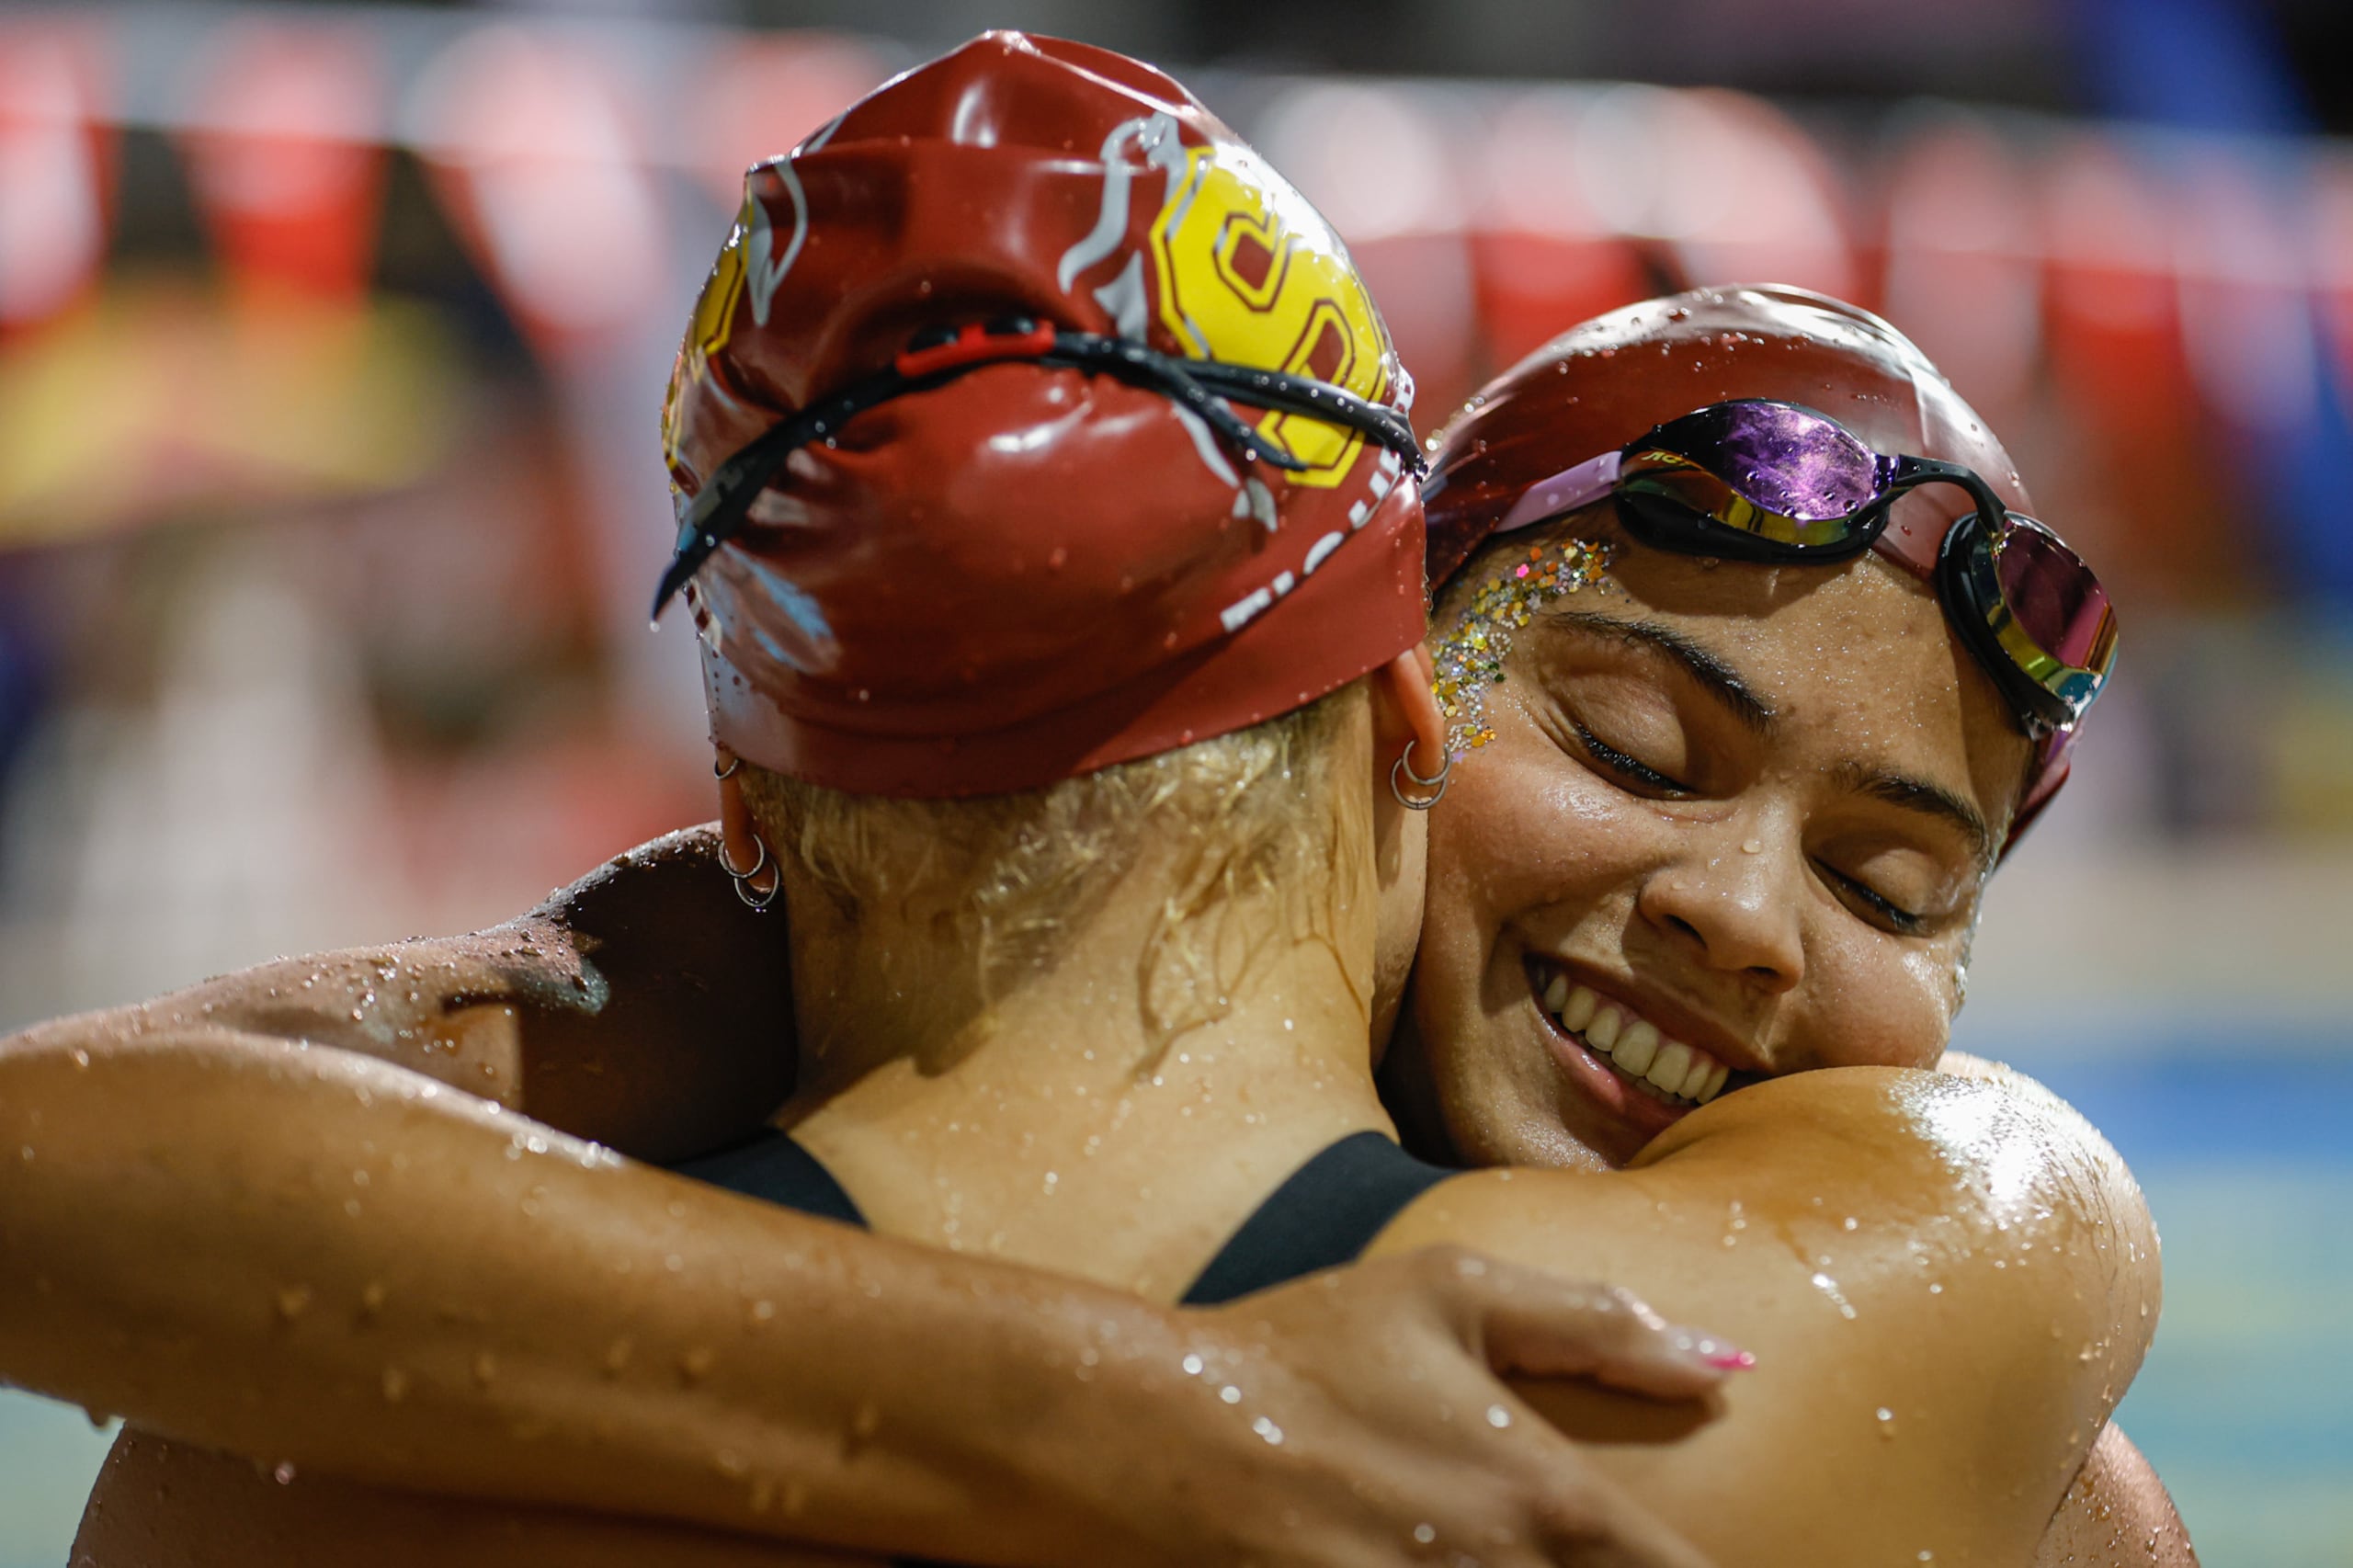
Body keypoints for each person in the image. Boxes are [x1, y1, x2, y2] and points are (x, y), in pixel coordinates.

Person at [0, 31, 2187, 1568]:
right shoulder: (1910, 1376)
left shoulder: (282, 1452)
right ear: (1400, 713)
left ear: (756, 801)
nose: (1735, 911)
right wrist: (1143, 1412)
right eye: (1624, 750)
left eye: (1893, 879)